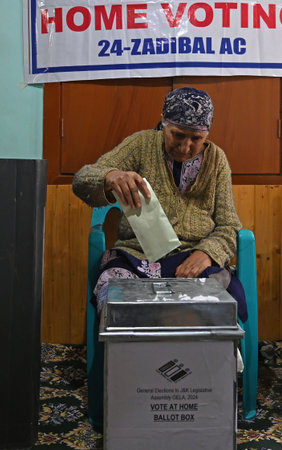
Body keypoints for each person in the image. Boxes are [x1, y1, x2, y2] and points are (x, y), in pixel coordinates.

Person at [72, 86, 247, 321]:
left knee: (220, 300)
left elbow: (229, 225)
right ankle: (129, 356)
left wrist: (207, 253)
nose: (186, 147)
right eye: (178, 135)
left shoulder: (217, 161)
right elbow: (82, 179)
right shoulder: (142, 144)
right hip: (136, 257)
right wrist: (110, 176)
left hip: (192, 258)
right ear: (164, 123)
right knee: (115, 299)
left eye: (196, 138)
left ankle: (204, 357)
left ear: (207, 134)